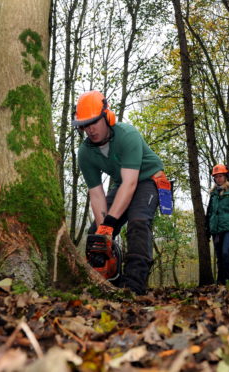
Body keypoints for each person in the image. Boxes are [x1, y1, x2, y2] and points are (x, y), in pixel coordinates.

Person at [72, 90, 169, 295]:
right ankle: (107, 281)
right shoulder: (85, 153)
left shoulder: (127, 136)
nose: (90, 130)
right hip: (122, 184)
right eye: (84, 125)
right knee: (95, 234)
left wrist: (110, 222)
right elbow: (96, 193)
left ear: (107, 117)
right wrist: (103, 230)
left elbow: (131, 183)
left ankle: (134, 285)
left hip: (147, 179)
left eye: (94, 122)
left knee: (138, 222)